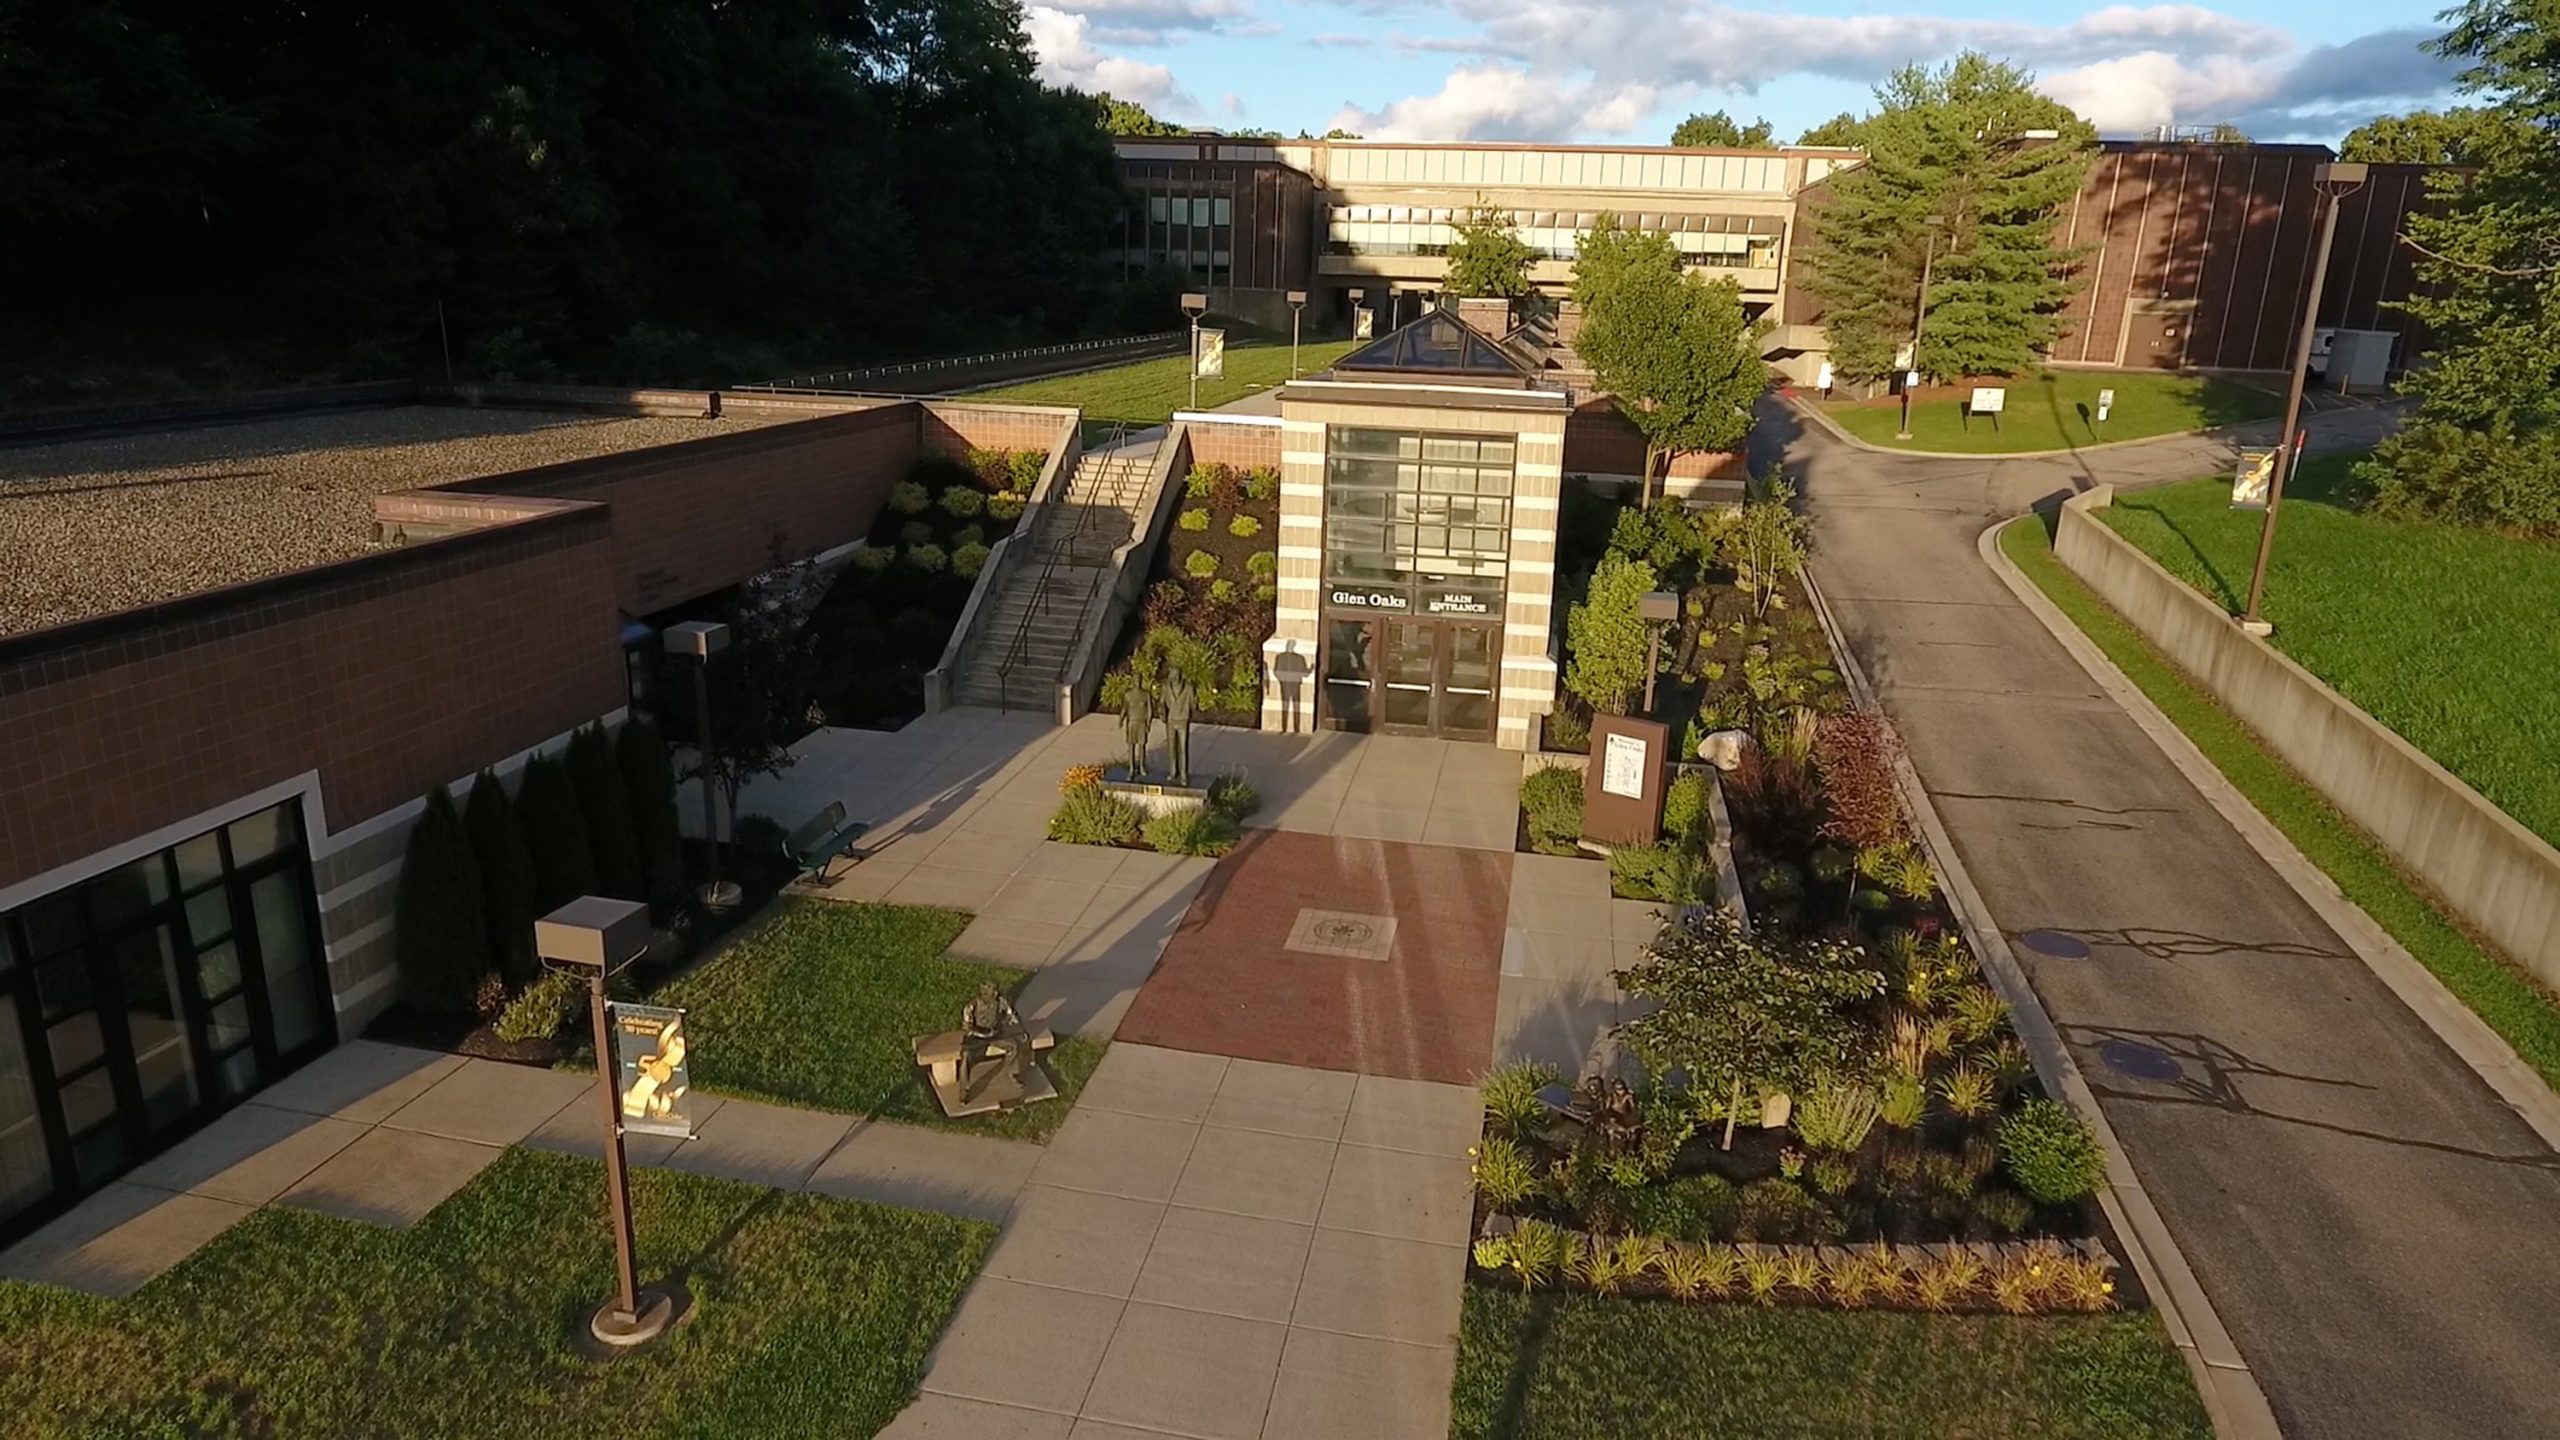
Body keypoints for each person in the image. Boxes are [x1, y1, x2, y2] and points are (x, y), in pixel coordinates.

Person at [961, 982, 1033, 1101]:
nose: (996, 993)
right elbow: (967, 1028)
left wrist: (1021, 1030)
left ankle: (1012, 1072)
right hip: (976, 1036)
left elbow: (1012, 1016)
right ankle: (964, 1090)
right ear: (984, 992)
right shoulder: (971, 1006)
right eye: (993, 991)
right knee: (966, 1055)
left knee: (1014, 1046)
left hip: (996, 1033)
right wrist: (984, 1033)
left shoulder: (1001, 1001)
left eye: (996, 991)